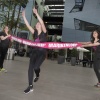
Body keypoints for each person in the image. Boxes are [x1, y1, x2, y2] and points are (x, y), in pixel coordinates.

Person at [22, 7, 47, 94]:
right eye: (36, 24)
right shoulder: (35, 33)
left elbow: (42, 23)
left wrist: (36, 13)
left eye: (38, 23)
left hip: (42, 53)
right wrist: (24, 16)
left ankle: (37, 74)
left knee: (36, 67)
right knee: (30, 68)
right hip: (34, 52)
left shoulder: (44, 32)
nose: (37, 24)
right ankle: (30, 86)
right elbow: (28, 26)